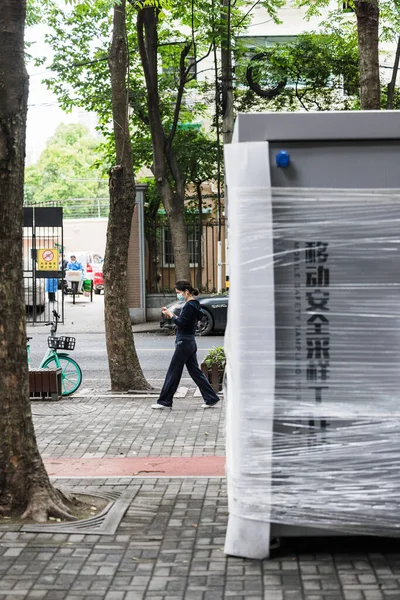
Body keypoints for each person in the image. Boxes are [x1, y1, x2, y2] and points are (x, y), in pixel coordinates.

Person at [152, 280, 221, 410]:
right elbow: (189, 320)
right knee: (196, 373)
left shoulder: (189, 305)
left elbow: (182, 324)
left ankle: (165, 401)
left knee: (173, 372)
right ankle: (211, 398)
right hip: (190, 342)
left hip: (183, 343)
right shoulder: (195, 304)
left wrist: (170, 315)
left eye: (179, 293)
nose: (178, 295)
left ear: (186, 292)